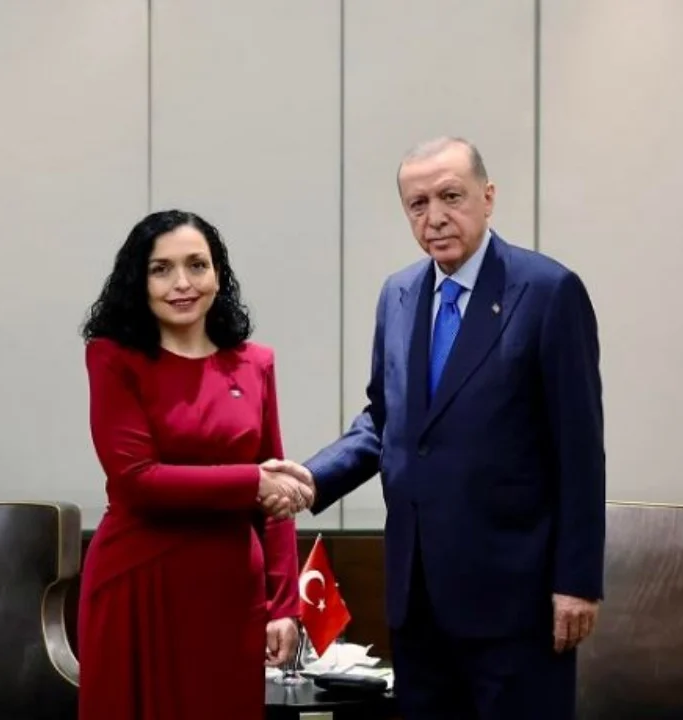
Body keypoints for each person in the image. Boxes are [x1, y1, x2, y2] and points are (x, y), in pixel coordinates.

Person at [266, 137, 607, 719]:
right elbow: (385, 420)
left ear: (488, 197)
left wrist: (577, 581)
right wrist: (312, 478)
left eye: (451, 197)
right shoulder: (398, 295)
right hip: (417, 597)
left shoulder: (547, 292)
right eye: (418, 204)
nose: (435, 217)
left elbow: (580, 449)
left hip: (515, 598)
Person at [77, 209, 314, 720]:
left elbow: (273, 495)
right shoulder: (112, 358)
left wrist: (284, 606)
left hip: (230, 589)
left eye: (197, 265)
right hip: (140, 582)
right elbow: (137, 480)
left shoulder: (255, 363)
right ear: (138, 281)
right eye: (161, 269)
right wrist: (253, 481)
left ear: (218, 275)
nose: (181, 283)